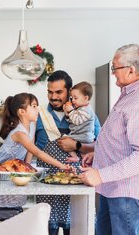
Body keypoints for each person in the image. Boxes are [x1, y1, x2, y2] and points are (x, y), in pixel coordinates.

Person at [80, 44, 139, 235]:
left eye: (115, 68)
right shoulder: (132, 94)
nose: (112, 73)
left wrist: (100, 175)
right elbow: (123, 140)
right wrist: (99, 155)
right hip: (112, 186)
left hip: (125, 191)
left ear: (131, 70)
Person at [35, 70, 101, 235]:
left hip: (76, 180)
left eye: (59, 92)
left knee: (74, 228)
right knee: (46, 227)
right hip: (46, 183)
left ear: (70, 92)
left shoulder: (86, 114)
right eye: (50, 92)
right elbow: (29, 145)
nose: (53, 96)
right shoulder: (38, 114)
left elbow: (100, 146)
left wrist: (76, 146)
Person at [0, 93, 72, 208]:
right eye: (33, 106)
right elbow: (38, 152)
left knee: (13, 200)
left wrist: (27, 167)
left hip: (13, 167)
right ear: (22, 112)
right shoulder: (19, 133)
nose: (38, 109)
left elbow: (30, 150)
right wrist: (61, 165)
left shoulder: (32, 125)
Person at [62, 81, 96, 162]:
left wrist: (71, 111)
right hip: (80, 136)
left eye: (75, 98)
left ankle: (75, 157)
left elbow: (77, 121)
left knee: (63, 140)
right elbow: (72, 121)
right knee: (83, 155)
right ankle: (81, 159)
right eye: (71, 98)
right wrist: (67, 114)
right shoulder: (79, 108)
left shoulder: (87, 110)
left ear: (86, 98)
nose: (73, 100)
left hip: (83, 137)